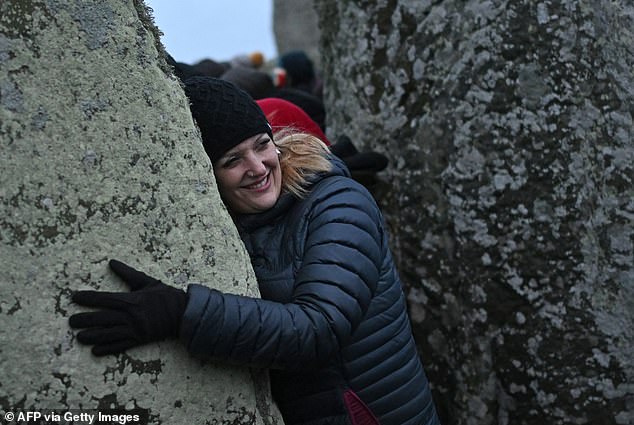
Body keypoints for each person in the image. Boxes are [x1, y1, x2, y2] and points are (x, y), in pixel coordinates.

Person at [69, 77, 440, 425]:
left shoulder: (338, 202)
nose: (257, 167)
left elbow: (320, 327)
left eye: (262, 144)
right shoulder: (230, 223)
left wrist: (181, 313)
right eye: (232, 160)